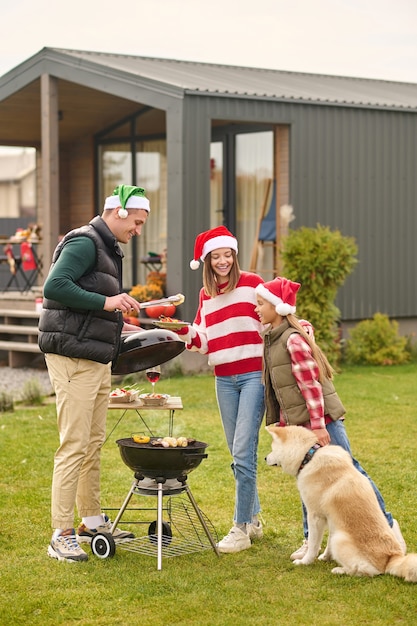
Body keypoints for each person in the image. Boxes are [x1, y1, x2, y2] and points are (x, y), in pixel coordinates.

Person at [255, 276, 407, 559]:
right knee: (307, 479)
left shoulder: (292, 339)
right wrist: (288, 424)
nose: (257, 309)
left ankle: (387, 527)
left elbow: (311, 386)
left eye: (261, 303)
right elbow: (283, 388)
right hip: (302, 423)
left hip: (321, 421)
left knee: (352, 472)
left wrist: (317, 426)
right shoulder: (273, 337)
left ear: (277, 306)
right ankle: (308, 539)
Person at [38, 184, 151, 563]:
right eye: (136, 222)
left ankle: (90, 522)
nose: (138, 231)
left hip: (96, 358)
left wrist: (120, 325)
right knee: (74, 445)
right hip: (73, 359)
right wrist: (108, 301)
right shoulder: (85, 242)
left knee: (92, 443)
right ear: (118, 212)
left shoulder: (107, 248)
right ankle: (61, 533)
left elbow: (88, 307)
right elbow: (54, 286)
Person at [173, 226, 265, 553]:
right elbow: (203, 339)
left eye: (227, 255)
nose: (223, 261)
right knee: (237, 451)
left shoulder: (253, 283)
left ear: (234, 256)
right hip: (224, 380)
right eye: (216, 256)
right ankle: (254, 519)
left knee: (242, 451)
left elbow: (276, 312)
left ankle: (240, 528)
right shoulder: (205, 296)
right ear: (208, 261)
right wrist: (182, 330)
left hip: (254, 375)